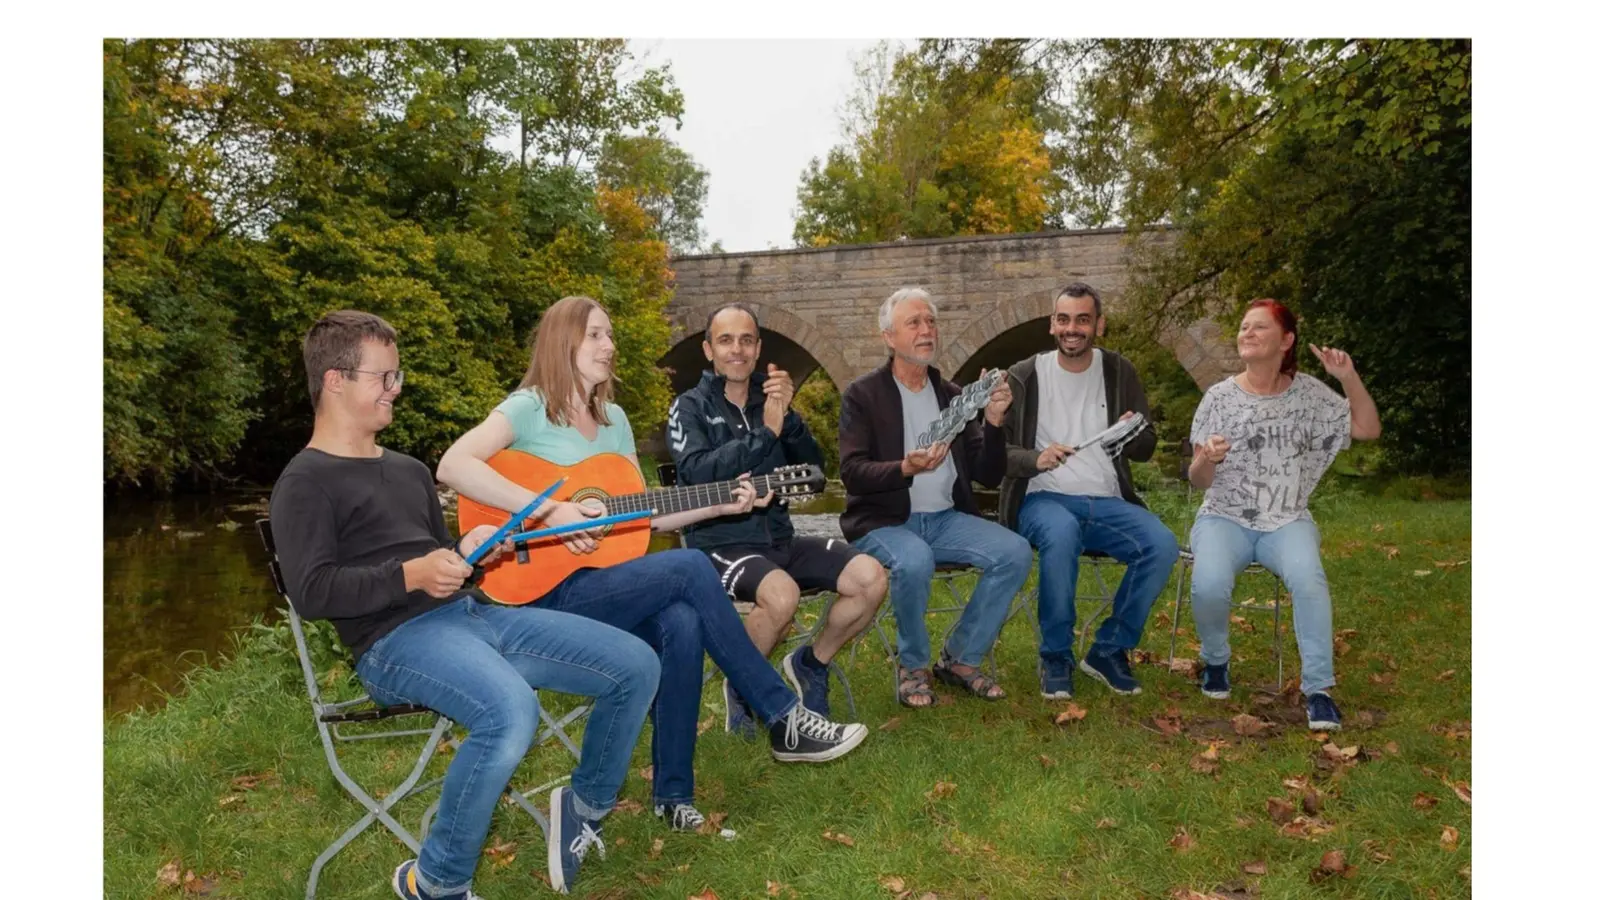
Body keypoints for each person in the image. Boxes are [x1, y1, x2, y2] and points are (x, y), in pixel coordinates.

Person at [436, 295, 869, 835]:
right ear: (562, 340)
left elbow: (643, 517)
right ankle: (782, 715)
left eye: (610, 334)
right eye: (596, 335)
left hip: (602, 584)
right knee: (688, 571)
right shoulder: (529, 407)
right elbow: (453, 464)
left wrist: (720, 503)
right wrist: (551, 510)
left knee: (682, 621)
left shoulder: (613, 419)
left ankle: (673, 795)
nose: (610, 345)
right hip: (540, 589)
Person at [268, 311, 660, 898]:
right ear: (335, 380)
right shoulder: (305, 481)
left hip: (472, 616)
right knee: (509, 713)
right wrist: (413, 573)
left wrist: (469, 551)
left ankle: (582, 808)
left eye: (397, 376)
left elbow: (438, 560)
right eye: (384, 378)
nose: (395, 390)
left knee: (635, 664)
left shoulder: (407, 471)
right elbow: (313, 591)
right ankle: (437, 883)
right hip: (392, 645)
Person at [668, 302, 888, 734]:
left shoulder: (770, 404)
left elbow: (814, 474)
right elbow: (695, 474)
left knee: (870, 577)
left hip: (780, 540)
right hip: (718, 545)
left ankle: (811, 663)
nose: (737, 350)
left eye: (746, 340)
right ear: (709, 349)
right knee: (782, 596)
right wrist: (764, 434)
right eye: (726, 340)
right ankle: (743, 686)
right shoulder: (689, 406)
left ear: (758, 348)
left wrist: (786, 424)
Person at [1187, 299, 1382, 731]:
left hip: (1286, 518)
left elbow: (1367, 429)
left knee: (1309, 578)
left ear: (1286, 340)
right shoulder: (1219, 397)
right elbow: (1198, 481)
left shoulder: (1309, 395)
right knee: (1209, 583)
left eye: (1259, 327)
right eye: (1243, 327)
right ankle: (1216, 661)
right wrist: (1208, 459)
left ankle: (1319, 690)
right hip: (1224, 516)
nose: (1248, 334)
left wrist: (1347, 377)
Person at [839, 287, 1033, 708]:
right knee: (914, 560)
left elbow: (986, 473)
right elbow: (851, 473)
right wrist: (904, 468)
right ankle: (913, 666)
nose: (927, 330)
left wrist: (995, 421)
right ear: (889, 337)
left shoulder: (951, 395)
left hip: (945, 518)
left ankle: (961, 659)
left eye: (931, 322)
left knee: (1015, 552)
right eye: (914, 323)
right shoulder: (863, 395)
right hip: (883, 522)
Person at [999, 282, 1180, 699]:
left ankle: (1109, 648)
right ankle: (1056, 654)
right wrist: (1036, 459)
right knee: (1061, 536)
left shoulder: (1119, 370)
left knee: (1161, 545)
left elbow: (1146, 447)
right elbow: (994, 455)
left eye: (1083, 319)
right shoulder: (1025, 375)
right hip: (1044, 498)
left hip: (1107, 499)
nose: (1073, 328)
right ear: (1052, 325)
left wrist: (1132, 433)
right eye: (1064, 319)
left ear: (1098, 324)